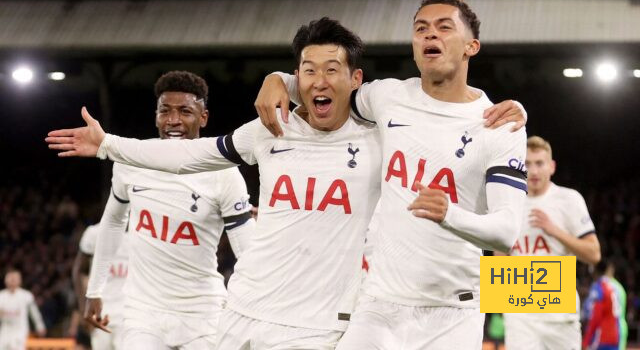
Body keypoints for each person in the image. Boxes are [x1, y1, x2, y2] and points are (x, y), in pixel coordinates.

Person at [46, 18, 523, 348]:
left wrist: (500, 114)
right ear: (297, 78)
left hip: (318, 329)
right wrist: (108, 143)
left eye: (332, 71)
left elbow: (442, 121)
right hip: (240, 311)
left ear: (355, 79)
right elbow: (190, 154)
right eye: (308, 71)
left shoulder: (382, 137)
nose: (320, 81)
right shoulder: (269, 131)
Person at [255, 0, 528, 348]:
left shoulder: (499, 125)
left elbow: (506, 232)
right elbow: (329, 88)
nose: (431, 35)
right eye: (421, 29)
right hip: (379, 303)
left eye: (444, 27)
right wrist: (276, 78)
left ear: (471, 46)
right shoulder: (386, 97)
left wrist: (450, 215)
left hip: (452, 311)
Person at [81, 71, 255, 349]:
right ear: (156, 116)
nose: (173, 120)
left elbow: (246, 251)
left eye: (185, 111)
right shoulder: (131, 161)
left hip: (202, 311)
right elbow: (112, 223)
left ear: (203, 117)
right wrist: (95, 289)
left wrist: (256, 302)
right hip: (143, 311)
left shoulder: (224, 173)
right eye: (165, 111)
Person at [499, 135, 601, 350]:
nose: (534, 171)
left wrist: (554, 230)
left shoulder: (569, 199)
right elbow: (500, 257)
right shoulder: (508, 202)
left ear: (551, 167)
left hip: (560, 313)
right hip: (519, 312)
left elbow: (594, 254)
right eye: (527, 164)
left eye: (539, 163)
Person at [72, 223, 128, 350]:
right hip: (100, 315)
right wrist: (82, 309)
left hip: (127, 315)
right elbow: (78, 270)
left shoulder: (138, 235)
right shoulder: (93, 233)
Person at [582, 260, 627, 350]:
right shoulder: (618, 287)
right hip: (618, 330)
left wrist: (586, 340)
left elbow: (594, 314)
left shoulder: (599, 287)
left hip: (602, 334)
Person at [0, 269, 46, 350]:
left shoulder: (26, 296)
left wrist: (40, 326)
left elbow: (34, 313)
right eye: (10, 278)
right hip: (5, 330)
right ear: (5, 280)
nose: (12, 280)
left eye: (15, 278)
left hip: (20, 330)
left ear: (19, 280)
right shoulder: (1, 296)